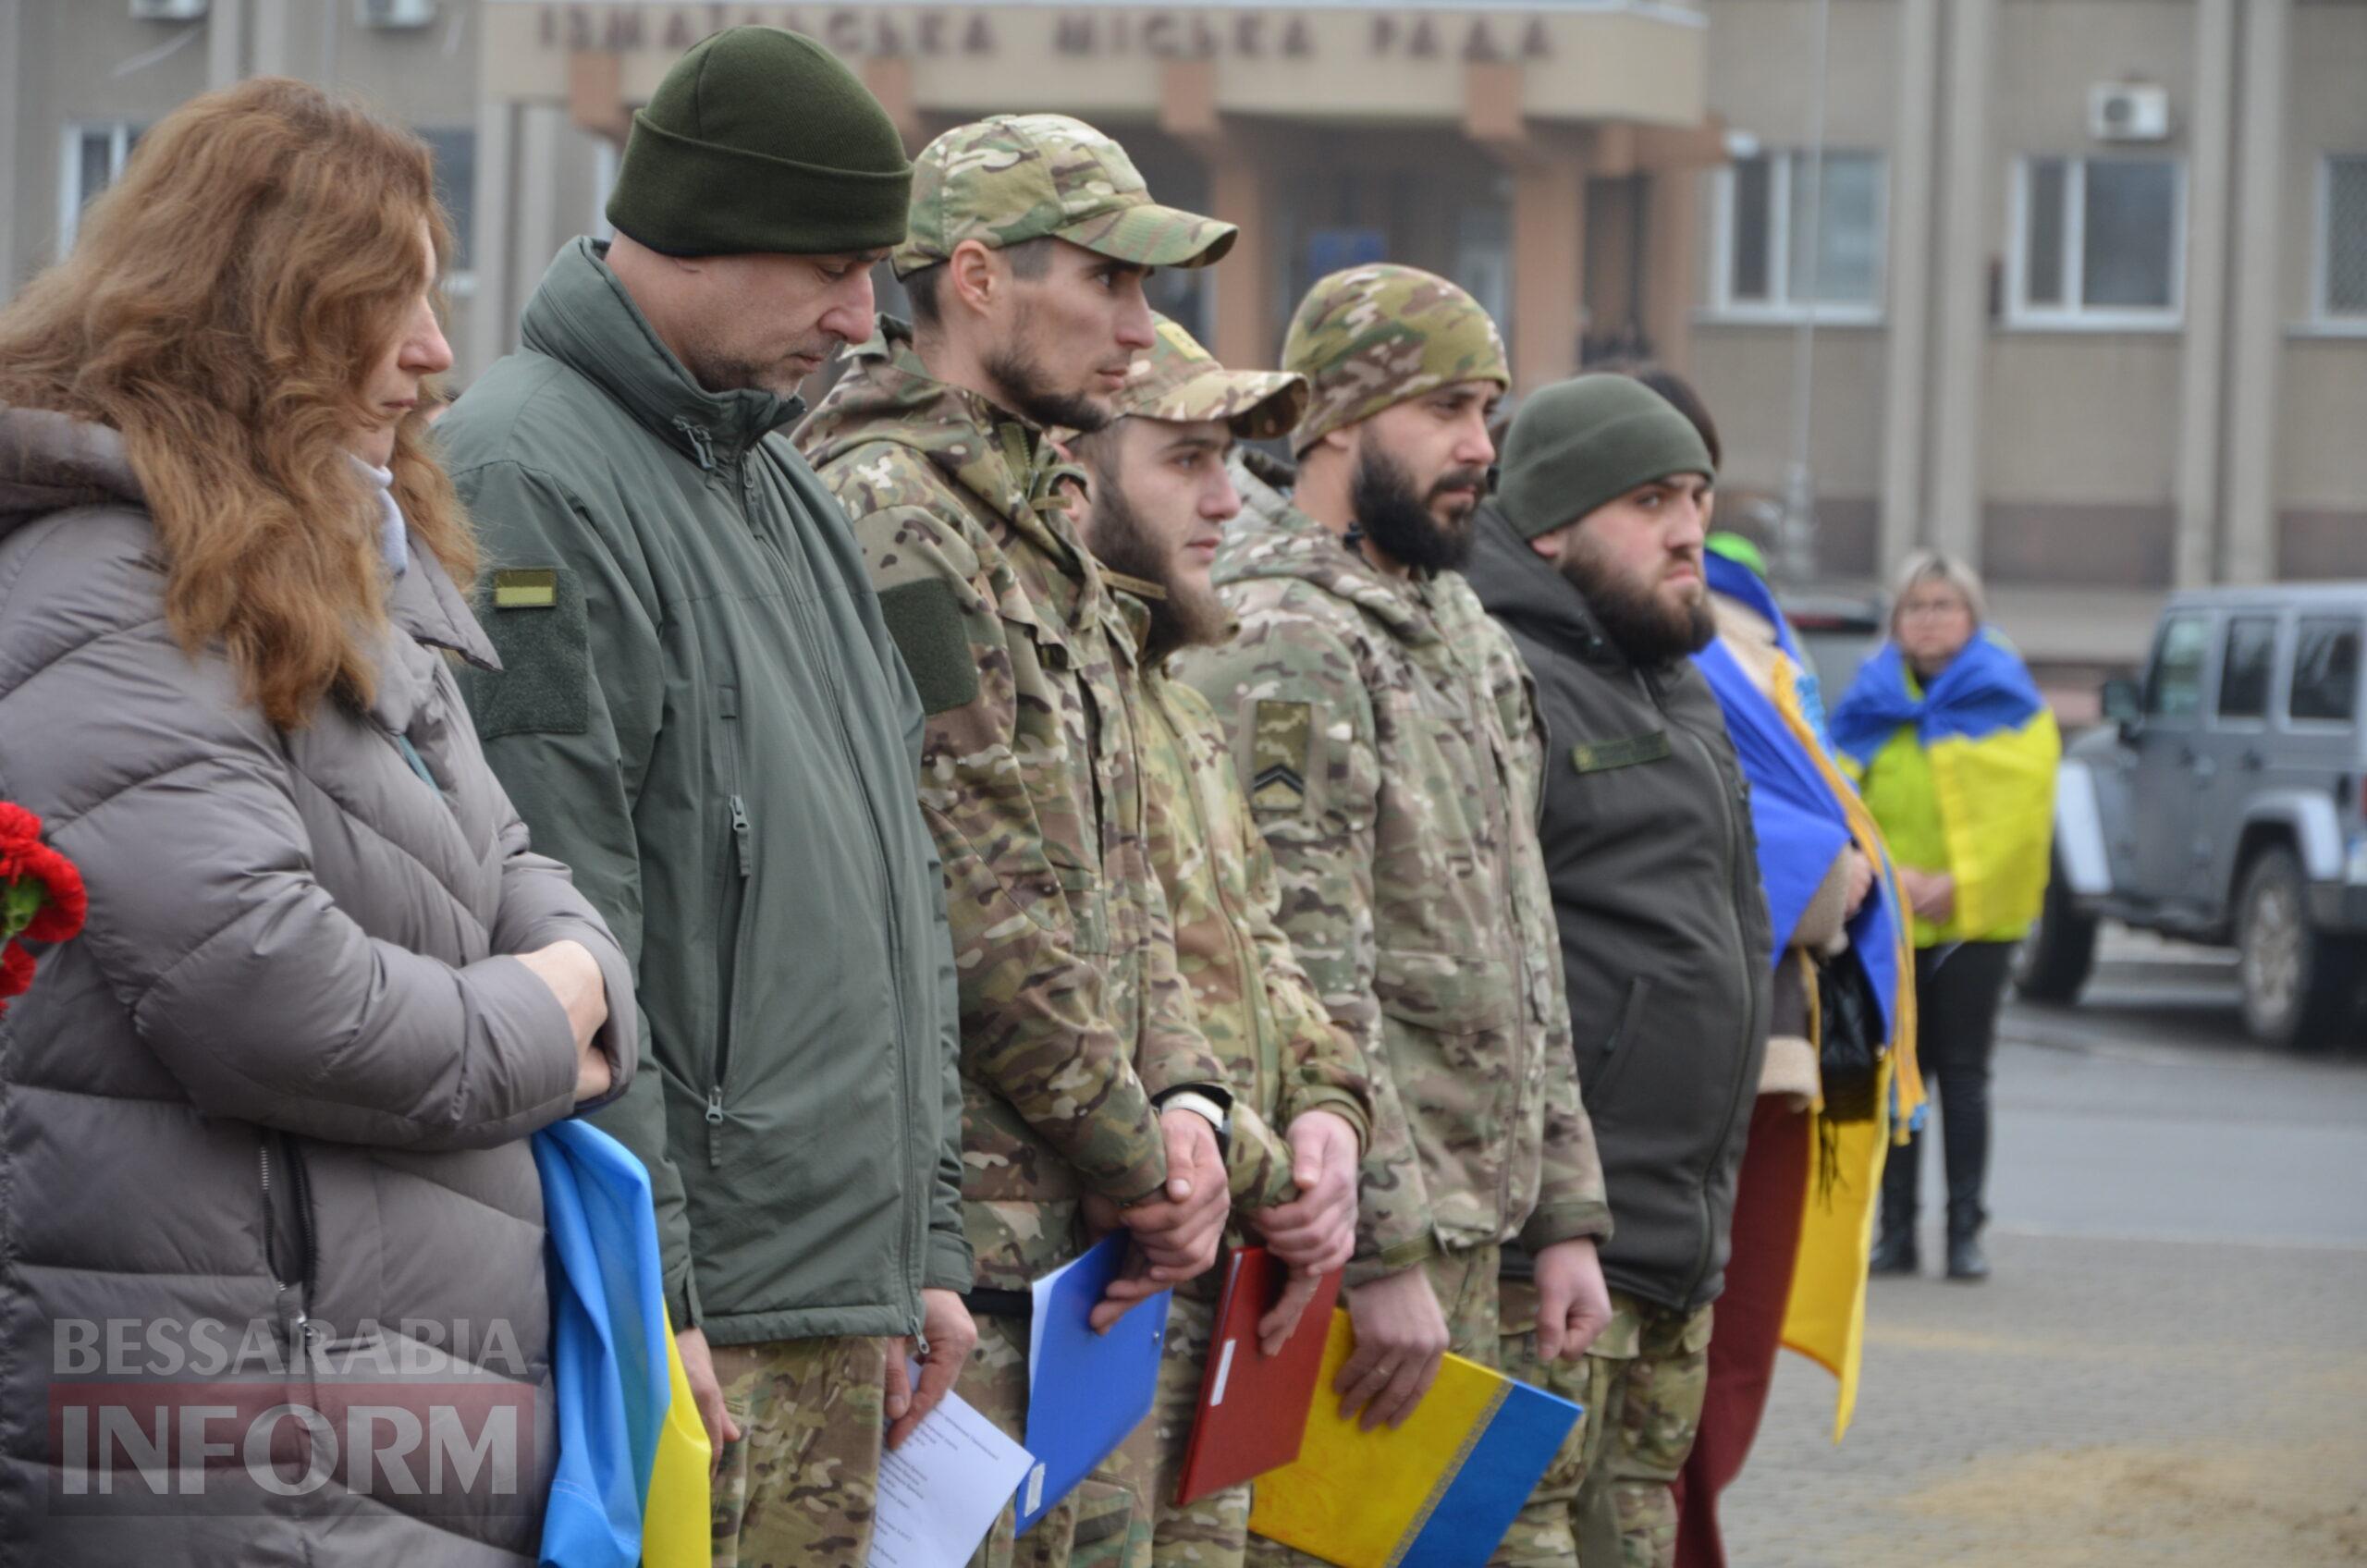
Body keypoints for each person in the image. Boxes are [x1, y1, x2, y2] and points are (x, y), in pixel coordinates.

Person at [0, 79, 632, 1563]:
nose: (432, 354)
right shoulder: (116, 584)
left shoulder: (306, 564)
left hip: (355, 1409)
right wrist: (554, 1019)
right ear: (254, 318)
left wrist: (578, 966)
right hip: (224, 1432)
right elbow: (270, 992)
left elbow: (508, 859)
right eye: (384, 305)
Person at [436, 30, 974, 1563]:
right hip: (707, 1322)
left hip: (819, 1296)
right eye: (829, 268)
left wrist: (916, 1244)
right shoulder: (528, 475)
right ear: (697, 235)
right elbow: (565, 928)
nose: (860, 319)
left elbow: (890, 884)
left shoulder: (774, 477)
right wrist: (649, 1286)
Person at [798, 114, 1248, 1562]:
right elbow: (974, 899)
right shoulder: (893, 516)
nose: (1141, 329)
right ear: (978, 279)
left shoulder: (1038, 508)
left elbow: (1133, 867)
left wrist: (1191, 1105)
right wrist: (1148, 1158)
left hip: (1088, 1239)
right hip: (980, 1254)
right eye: (1108, 286)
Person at [1174, 266, 1613, 1568]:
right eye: (1449, 410)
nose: (1483, 447)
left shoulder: (1457, 624)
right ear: (1339, 426)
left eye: (1489, 409)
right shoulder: (1285, 634)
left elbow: (1527, 942)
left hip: (1487, 1240)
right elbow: (1304, 964)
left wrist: (1568, 1211)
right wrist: (1378, 1251)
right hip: (1372, 1262)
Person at [1071, 317, 1374, 1566]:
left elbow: (1264, 947)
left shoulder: (1174, 702)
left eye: (1233, 461)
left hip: (1222, 1278)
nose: (1227, 500)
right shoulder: (1062, 695)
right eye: (1186, 459)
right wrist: (1261, 1166)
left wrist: (1328, 1112)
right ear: (1070, 473)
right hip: (1111, 1278)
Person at [1459, 374, 1769, 1568]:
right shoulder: (1506, 675)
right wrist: (1554, 1214)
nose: (1690, 526)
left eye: (1697, 493)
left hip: (1674, 1248)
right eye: (1649, 499)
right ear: (1549, 524)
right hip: (1548, 1263)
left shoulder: (1673, 676)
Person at [1832, 552, 2059, 1282]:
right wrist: (1890, 876)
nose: (1928, 619)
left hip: (1973, 922)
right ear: (1895, 622)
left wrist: (1961, 882)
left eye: (1944, 605)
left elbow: (2024, 818)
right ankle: (1895, 1234)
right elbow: (1836, 797)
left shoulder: (2007, 702)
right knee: (1899, 1077)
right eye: (1915, 607)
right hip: (1887, 919)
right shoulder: (1868, 703)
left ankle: (1966, 1232)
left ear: (1972, 616)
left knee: (1962, 1076)